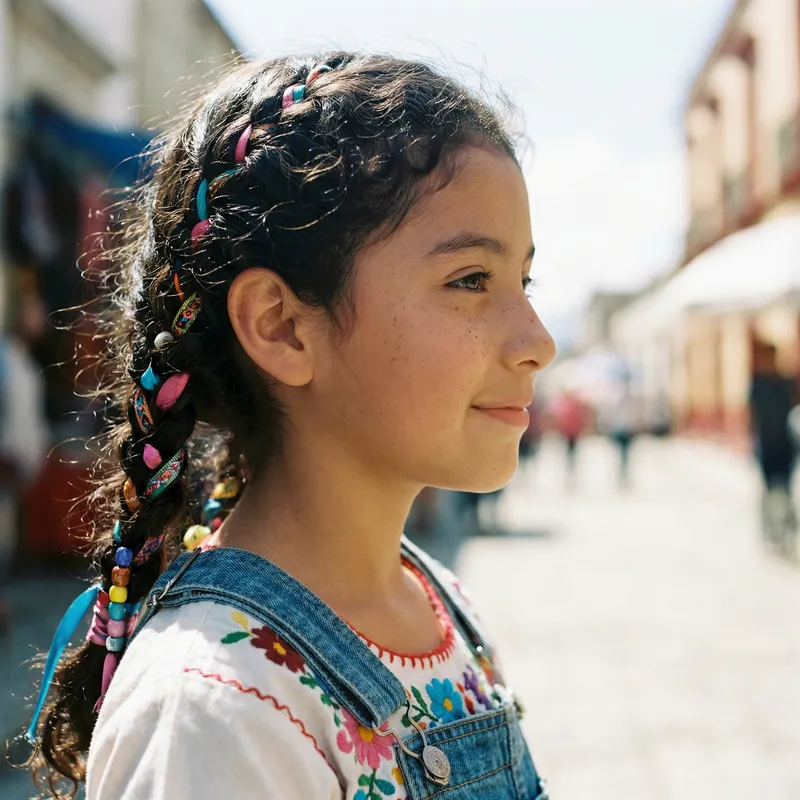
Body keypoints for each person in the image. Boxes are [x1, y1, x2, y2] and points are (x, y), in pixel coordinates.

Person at [24, 54, 556, 799]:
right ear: (281, 327)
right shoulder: (214, 710)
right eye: (470, 280)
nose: (538, 341)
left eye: (523, 282)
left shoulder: (436, 602)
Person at [748, 341, 798, 546]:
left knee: (785, 490)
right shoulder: (758, 384)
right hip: (766, 444)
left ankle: (786, 528)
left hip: (785, 445)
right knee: (769, 490)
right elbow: (753, 416)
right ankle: (769, 529)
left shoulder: (785, 382)